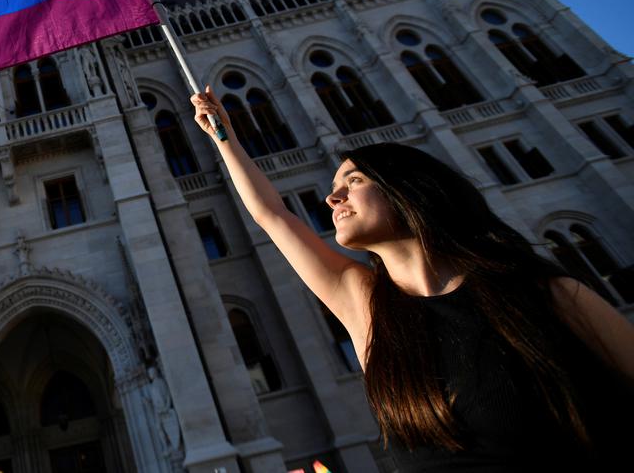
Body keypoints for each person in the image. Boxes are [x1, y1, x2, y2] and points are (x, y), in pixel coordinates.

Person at [190, 87, 634, 471]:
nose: (333, 195)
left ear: (407, 190)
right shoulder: (365, 307)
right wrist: (222, 136)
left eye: (355, 179)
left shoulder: (549, 296)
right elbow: (272, 215)